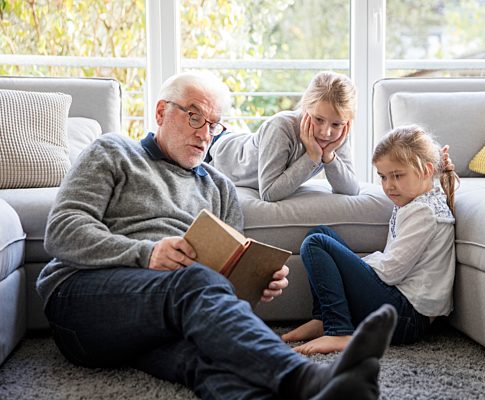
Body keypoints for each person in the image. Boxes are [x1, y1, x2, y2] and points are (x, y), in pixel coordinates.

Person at [36, 71, 400, 400]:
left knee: (210, 360)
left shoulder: (221, 189)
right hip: (83, 302)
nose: (204, 133)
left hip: (163, 320)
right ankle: (309, 379)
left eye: (213, 124)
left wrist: (256, 283)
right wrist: (145, 254)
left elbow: (222, 298)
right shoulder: (114, 152)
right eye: (194, 116)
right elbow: (62, 231)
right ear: (161, 112)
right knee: (192, 281)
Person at [282, 125, 459, 355]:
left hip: (406, 318)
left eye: (397, 176)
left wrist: (354, 266)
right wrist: (350, 266)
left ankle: (339, 331)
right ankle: (324, 319)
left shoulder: (424, 212)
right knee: (320, 232)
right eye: (383, 177)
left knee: (317, 243)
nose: (388, 186)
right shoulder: (413, 202)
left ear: (425, 171)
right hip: (399, 308)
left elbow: (391, 271)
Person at [208, 71, 361, 202]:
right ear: (304, 108)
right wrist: (312, 157)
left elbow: (351, 189)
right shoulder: (280, 127)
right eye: (318, 120)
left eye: (336, 124)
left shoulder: (337, 135)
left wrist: (329, 156)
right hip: (214, 150)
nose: (325, 132)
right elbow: (269, 193)